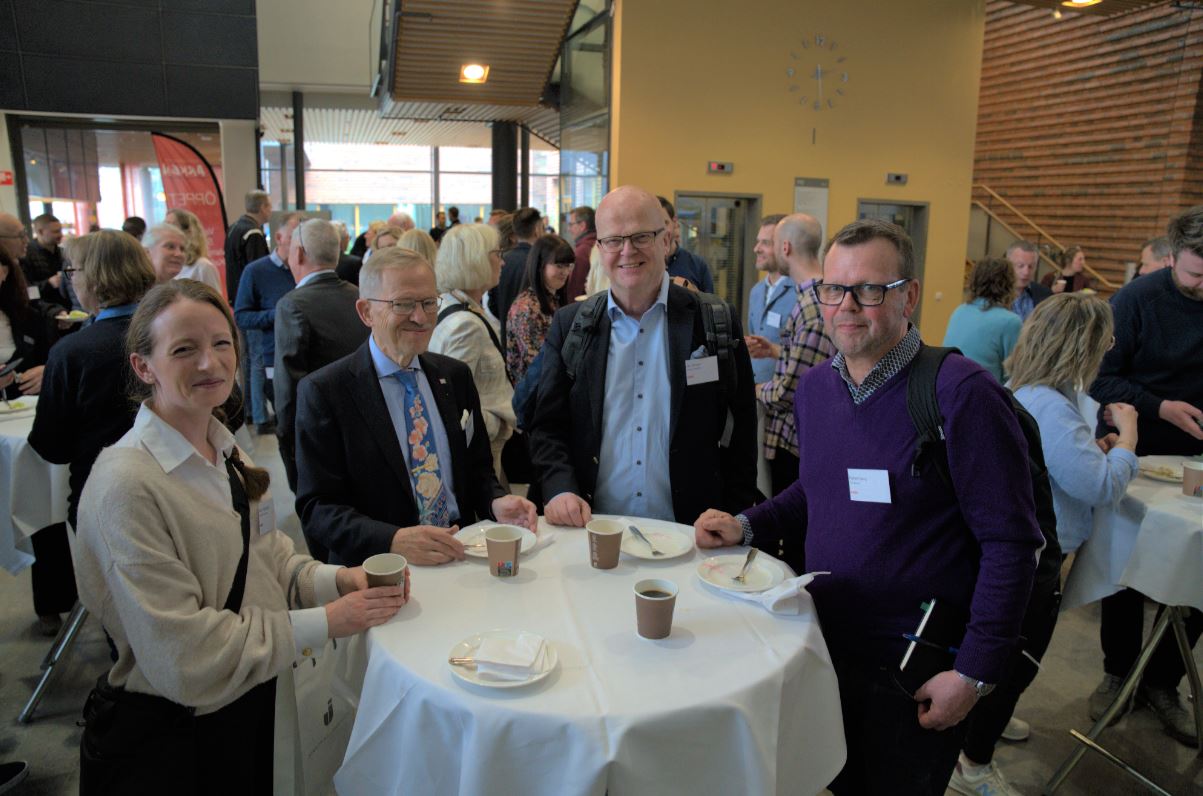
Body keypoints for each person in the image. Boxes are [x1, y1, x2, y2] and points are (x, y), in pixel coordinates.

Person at [695, 218, 1042, 795]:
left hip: (914, 669)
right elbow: (817, 488)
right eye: (834, 289)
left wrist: (974, 672)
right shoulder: (816, 389)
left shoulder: (961, 394)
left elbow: (1012, 544)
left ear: (909, 295)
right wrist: (747, 525)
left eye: (870, 289)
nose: (847, 306)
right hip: (819, 645)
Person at [71, 278, 407, 794]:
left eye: (221, 343)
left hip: (253, 699)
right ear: (143, 366)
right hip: (181, 735)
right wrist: (327, 621)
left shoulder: (226, 451)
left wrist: (339, 580)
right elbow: (185, 656)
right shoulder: (127, 486)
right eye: (184, 350)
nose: (210, 363)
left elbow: (269, 561)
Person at [946, 292, 1131, 795]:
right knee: (1017, 662)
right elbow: (1099, 486)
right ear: (1083, 347)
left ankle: (983, 722)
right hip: (1037, 557)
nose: (1109, 350)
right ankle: (973, 763)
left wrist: (1094, 449)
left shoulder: (1026, 392)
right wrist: (1128, 440)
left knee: (1004, 656)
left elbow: (1060, 464)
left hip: (1018, 550)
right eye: (1106, 342)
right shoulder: (1053, 407)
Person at [529, 185, 758, 528]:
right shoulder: (571, 326)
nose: (627, 251)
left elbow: (742, 430)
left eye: (641, 237)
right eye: (613, 240)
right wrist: (560, 488)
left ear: (665, 241)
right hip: (594, 530)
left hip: (691, 534)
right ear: (599, 249)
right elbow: (548, 426)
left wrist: (737, 518)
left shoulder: (713, 321)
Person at [293, 248, 536, 565]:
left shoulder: (455, 377)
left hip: (459, 554)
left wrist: (495, 501)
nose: (420, 318)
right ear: (366, 312)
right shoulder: (325, 392)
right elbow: (317, 508)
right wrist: (392, 540)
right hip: (380, 569)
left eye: (428, 303)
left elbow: (477, 470)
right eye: (403, 304)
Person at [1087, 205, 1203, 746]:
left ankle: (1162, 681)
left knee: (1195, 569)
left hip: (1196, 460)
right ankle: (1118, 673)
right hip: (1139, 451)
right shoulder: (1135, 301)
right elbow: (1101, 380)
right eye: (1196, 274)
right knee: (1127, 570)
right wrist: (1160, 408)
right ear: (1172, 257)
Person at [28, 231, 155, 637]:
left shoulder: (73, 353)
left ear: (95, 278)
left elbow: (52, 446)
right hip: (188, 483)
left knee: (124, 618)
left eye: (72, 271)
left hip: (106, 500)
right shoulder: (173, 334)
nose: (70, 280)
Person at [274, 220, 366, 496]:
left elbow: (288, 387)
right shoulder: (360, 297)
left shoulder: (293, 305)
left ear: (299, 253)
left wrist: (287, 443)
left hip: (317, 434)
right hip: (363, 428)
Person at [747, 214, 834, 505]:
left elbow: (789, 392)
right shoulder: (811, 299)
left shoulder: (813, 306)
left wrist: (753, 390)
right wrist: (776, 351)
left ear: (785, 248)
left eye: (768, 242)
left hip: (797, 443)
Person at [432, 223, 516, 479]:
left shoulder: (451, 305)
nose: (502, 262)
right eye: (497, 254)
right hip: (480, 451)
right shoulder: (466, 324)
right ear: (476, 259)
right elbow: (452, 399)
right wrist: (494, 424)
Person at [235, 213, 299, 434]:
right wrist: (277, 314)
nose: (299, 244)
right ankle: (261, 419)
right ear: (279, 238)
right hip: (273, 357)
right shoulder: (256, 271)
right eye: (294, 237)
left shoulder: (305, 270)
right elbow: (241, 316)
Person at [506, 234, 573, 384]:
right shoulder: (526, 307)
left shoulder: (552, 298)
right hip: (535, 390)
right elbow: (538, 361)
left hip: (549, 386)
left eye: (568, 265)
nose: (565, 272)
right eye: (559, 266)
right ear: (540, 266)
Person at [942, 257, 1022, 383]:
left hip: (946, 386)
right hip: (982, 391)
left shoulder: (959, 311)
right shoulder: (1010, 321)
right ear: (1009, 284)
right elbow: (1015, 375)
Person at [744, 213, 795, 384]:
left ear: (784, 247)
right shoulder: (756, 292)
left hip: (786, 392)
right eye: (758, 242)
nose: (756, 249)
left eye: (765, 243)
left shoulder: (801, 292)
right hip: (756, 388)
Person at [489, 208, 543, 347]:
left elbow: (492, 303)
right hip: (533, 341)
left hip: (506, 339)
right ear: (537, 230)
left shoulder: (501, 260)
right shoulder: (541, 263)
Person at [223, 189, 272, 302]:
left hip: (236, 292)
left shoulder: (234, 227)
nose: (271, 210)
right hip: (248, 295)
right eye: (270, 206)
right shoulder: (253, 233)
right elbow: (258, 269)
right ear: (263, 207)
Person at [658, 196, 715, 293]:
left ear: (674, 222)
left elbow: (711, 301)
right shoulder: (642, 265)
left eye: (665, 223)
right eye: (654, 225)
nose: (660, 231)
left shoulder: (697, 265)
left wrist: (694, 294)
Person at [20, 213, 70, 309]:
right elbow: (26, 291)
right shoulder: (26, 255)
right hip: (43, 310)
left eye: (60, 230)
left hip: (66, 307)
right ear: (40, 232)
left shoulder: (63, 253)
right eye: (55, 231)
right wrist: (49, 283)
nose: (60, 235)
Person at [165, 208, 222, 293]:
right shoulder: (169, 267)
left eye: (171, 225)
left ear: (188, 232)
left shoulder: (203, 266)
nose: (165, 230)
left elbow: (215, 299)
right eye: (165, 225)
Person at [1006, 239, 1051, 320]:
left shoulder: (1045, 295)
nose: (1026, 272)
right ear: (1007, 264)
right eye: (1020, 266)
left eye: (1031, 267)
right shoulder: (991, 295)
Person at [564, 206, 597, 300]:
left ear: (582, 225)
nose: (569, 229)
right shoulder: (598, 244)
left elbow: (575, 290)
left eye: (571, 224)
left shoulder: (582, 252)